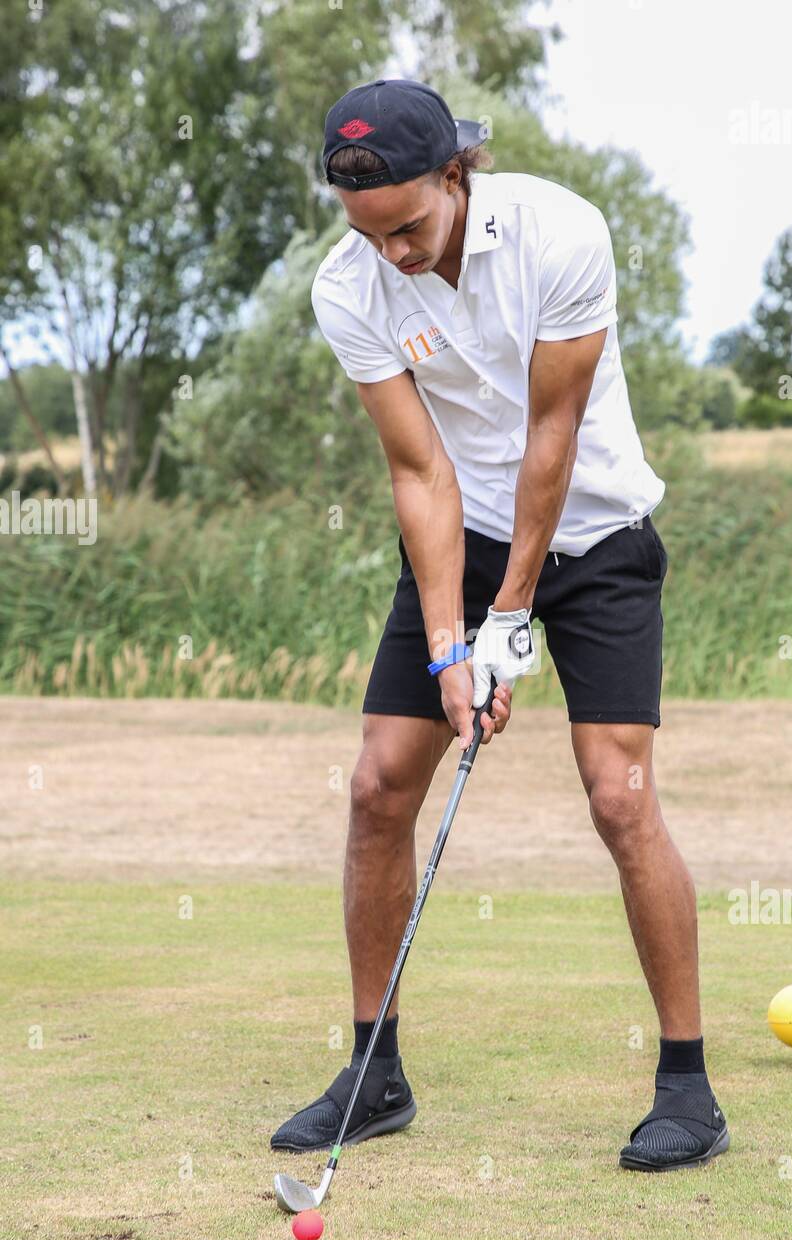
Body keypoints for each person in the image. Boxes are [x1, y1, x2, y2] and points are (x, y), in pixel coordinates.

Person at [271, 79, 729, 1172]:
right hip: (461, 537)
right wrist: (448, 647)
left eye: (409, 229)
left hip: (599, 534)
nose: (393, 257)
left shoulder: (561, 233)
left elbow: (549, 438)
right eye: (367, 234)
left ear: (455, 174)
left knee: (618, 799)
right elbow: (421, 469)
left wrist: (508, 620)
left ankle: (686, 1086)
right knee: (380, 782)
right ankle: (373, 1070)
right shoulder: (350, 286)